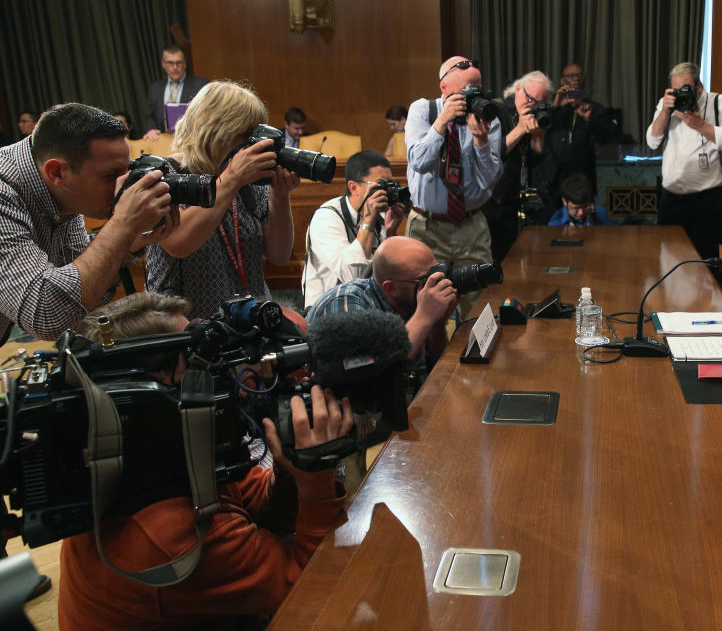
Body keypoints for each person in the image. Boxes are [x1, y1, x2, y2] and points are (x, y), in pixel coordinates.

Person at [57, 292, 351, 630]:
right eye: (198, 365)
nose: (219, 376)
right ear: (154, 395)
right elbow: (315, 587)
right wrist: (316, 483)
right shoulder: (170, 538)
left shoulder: (147, 456)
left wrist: (291, 467)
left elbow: (248, 496)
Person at [0, 103, 177, 343]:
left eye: (127, 172)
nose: (121, 187)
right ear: (57, 173)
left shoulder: (64, 192)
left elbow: (84, 295)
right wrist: (121, 226)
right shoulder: (4, 192)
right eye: (110, 176)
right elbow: (47, 315)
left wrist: (126, 245)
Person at [145, 80, 301, 318]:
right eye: (247, 136)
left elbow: (279, 255)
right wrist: (231, 179)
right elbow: (178, 243)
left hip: (249, 322)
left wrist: (279, 195)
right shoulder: (165, 174)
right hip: (186, 327)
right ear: (217, 132)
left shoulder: (248, 179)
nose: (254, 145)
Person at [405, 56, 502, 317]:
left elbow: (490, 179)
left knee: (479, 304)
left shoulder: (486, 118)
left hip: (470, 227)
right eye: (464, 92)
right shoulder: (423, 111)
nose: (471, 98)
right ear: (444, 88)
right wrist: (441, 123)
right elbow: (419, 162)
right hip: (427, 228)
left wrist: (481, 140)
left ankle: (479, 355)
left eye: (476, 90)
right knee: (425, 305)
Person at [307, 236, 457, 365]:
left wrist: (437, 326)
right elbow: (373, 369)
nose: (433, 286)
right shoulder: (345, 304)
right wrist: (424, 317)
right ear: (391, 288)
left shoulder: (410, 300)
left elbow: (433, 369)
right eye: (424, 280)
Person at [646, 61, 722, 259]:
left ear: (699, 86)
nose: (681, 94)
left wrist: (700, 125)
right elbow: (652, 141)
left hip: (705, 201)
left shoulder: (720, 103)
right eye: (675, 90)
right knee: (669, 260)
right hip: (671, 199)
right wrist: (665, 111)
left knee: (704, 262)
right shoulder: (667, 106)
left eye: (685, 89)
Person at [302, 150, 405, 307]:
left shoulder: (381, 216)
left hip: (364, 306)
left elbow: (389, 271)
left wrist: (390, 232)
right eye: (381, 185)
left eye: (390, 184)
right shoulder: (327, 217)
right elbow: (352, 275)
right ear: (354, 187)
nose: (386, 191)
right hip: (327, 310)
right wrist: (368, 221)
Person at [483, 70, 558, 261]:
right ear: (518, 90)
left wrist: (538, 137)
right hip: (493, 202)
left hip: (520, 202)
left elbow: (540, 166)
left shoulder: (537, 115)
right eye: (529, 98)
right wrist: (520, 129)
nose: (532, 104)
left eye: (539, 102)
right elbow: (492, 154)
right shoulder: (496, 111)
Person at [548, 62, 619, 189]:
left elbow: (607, 138)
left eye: (579, 75)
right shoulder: (554, 107)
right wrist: (555, 107)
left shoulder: (594, 109)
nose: (576, 79)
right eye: (571, 75)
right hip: (554, 178)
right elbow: (540, 132)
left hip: (583, 177)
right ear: (562, 81)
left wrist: (589, 119)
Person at [143, 46, 209, 141]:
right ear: (163, 64)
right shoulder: (155, 88)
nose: (175, 67)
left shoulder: (201, 85)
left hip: (191, 140)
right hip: (162, 141)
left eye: (178, 63)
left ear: (185, 64)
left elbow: (206, 115)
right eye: (170, 63)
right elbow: (150, 116)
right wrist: (151, 130)